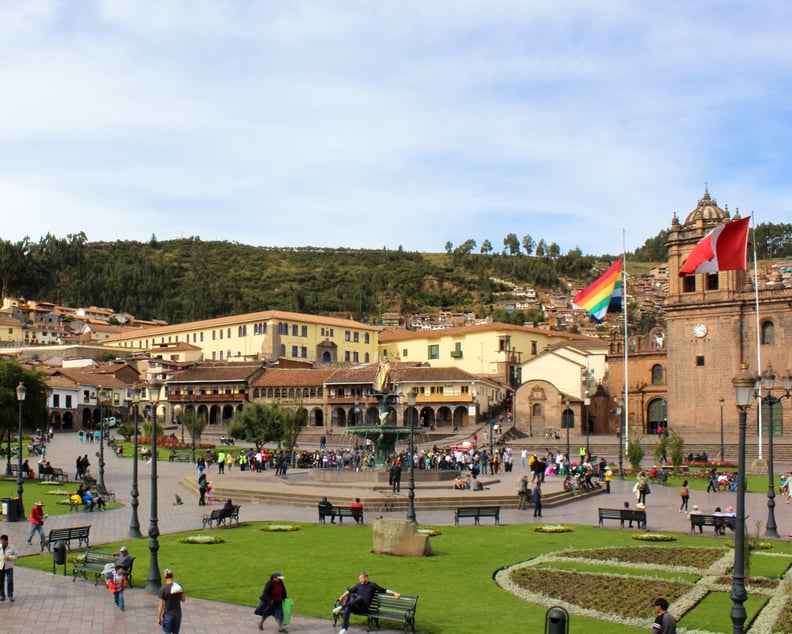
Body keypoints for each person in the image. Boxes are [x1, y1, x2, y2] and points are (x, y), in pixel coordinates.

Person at [333, 571, 401, 634]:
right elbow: (350, 591)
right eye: (359, 579)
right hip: (357, 606)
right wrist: (342, 596)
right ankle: (344, 629)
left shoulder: (372, 585)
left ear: (366, 578)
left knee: (359, 598)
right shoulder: (358, 585)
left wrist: (395, 593)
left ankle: (341, 607)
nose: (360, 580)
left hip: (364, 607)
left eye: (361, 578)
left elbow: (384, 590)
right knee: (348, 608)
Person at [157, 568, 186, 633]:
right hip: (178, 615)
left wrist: (159, 617)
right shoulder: (178, 586)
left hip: (168, 615)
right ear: (172, 575)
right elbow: (183, 599)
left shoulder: (163, 589)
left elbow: (161, 605)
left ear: (165, 577)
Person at [0, 534, 17, 602]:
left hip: (9, 567)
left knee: (10, 581)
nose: (2, 543)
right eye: (1, 541)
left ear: (6, 541)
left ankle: (10, 595)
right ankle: (2, 594)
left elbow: (16, 555)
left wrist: (9, 557)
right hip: (1, 567)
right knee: (1, 582)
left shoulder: (11, 547)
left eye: (3, 541)